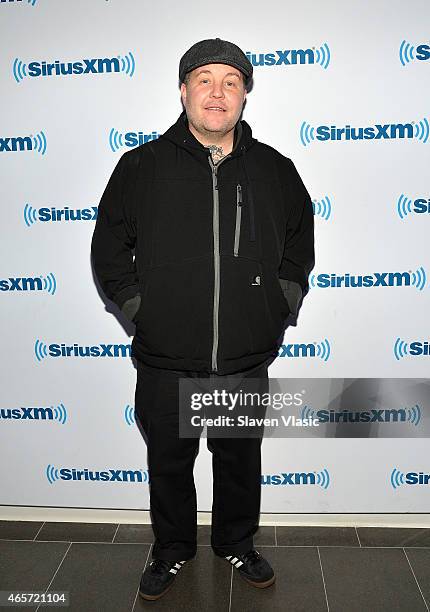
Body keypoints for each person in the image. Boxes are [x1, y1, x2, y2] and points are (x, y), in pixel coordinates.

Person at [91, 37, 315, 601]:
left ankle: (237, 541)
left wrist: (278, 305)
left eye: (231, 82)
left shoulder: (276, 171)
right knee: (169, 462)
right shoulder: (140, 166)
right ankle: (171, 550)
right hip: (168, 358)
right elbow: (110, 251)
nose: (218, 93)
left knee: (239, 460)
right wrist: (145, 312)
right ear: (185, 89)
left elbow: (298, 245)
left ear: (245, 94)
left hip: (243, 356)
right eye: (205, 79)